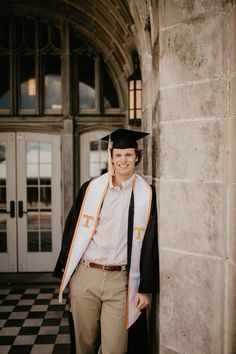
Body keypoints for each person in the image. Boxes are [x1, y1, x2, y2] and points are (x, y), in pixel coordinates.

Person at [53, 128, 159, 354]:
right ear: (111, 157)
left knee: (116, 348)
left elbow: (150, 244)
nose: (123, 160)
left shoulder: (148, 194)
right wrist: (67, 272)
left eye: (128, 155)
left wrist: (145, 287)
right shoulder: (91, 188)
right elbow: (71, 230)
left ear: (137, 157)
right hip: (86, 275)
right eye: (118, 155)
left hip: (121, 282)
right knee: (84, 345)